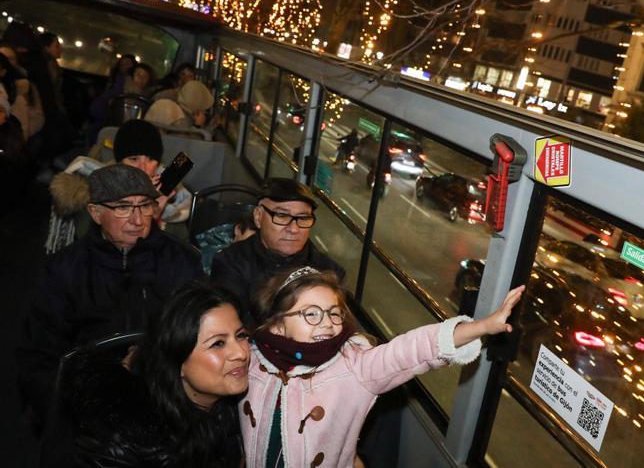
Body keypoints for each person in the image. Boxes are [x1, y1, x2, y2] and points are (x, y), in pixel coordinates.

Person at [241, 267, 525, 467]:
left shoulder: (355, 367)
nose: (327, 323)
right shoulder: (251, 359)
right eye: (311, 314)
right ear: (278, 325)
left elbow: (411, 350)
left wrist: (481, 327)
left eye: (333, 313)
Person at [17, 163, 202, 423]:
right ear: (95, 212)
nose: (137, 220)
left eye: (145, 205)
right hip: (87, 403)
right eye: (123, 207)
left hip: (165, 400)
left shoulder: (183, 262)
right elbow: (40, 355)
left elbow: (199, 339)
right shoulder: (64, 271)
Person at [58, 281, 250, 467]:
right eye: (218, 343)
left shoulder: (236, 406)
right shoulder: (127, 439)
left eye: (241, 335)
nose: (241, 353)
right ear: (177, 359)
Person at [45, 119, 191, 253]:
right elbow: (110, 257)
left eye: (151, 159)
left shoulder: (171, 201)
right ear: (119, 163)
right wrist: (151, 213)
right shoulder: (94, 195)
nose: (143, 169)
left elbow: (178, 252)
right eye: (134, 159)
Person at [211, 178, 344, 318]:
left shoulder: (330, 272)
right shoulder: (230, 263)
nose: (293, 229)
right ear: (258, 217)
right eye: (282, 216)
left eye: (303, 218)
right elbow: (231, 325)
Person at [145, 79, 214, 129]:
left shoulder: (165, 104)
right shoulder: (179, 117)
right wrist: (197, 126)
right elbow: (184, 144)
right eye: (203, 109)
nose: (204, 112)